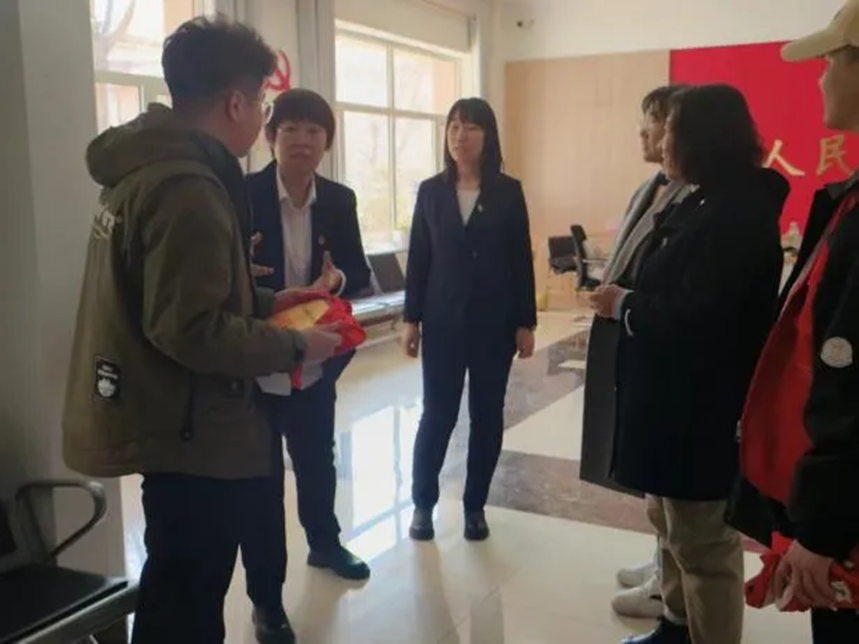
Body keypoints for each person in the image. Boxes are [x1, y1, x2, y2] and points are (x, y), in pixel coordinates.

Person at [62, 17, 342, 644]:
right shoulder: (188, 187)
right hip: (192, 434)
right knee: (187, 604)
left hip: (170, 421)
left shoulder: (146, 168)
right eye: (263, 102)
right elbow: (190, 330)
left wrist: (269, 301)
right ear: (236, 103)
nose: (264, 116)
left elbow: (178, 295)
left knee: (176, 589)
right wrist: (297, 342)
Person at [590, 84, 788, 644]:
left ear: (703, 138)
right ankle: (675, 627)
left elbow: (698, 314)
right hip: (670, 402)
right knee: (672, 526)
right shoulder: (705, 200)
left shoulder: (736, 213)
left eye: (671, 130)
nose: (661, 141)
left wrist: (625, 304)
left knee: (703, 546)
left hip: (700, 410)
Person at [731, 4, 859, 642]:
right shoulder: (847, 198)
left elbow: (850, 383)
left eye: (831, 61)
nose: (820, 77)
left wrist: (825, 526)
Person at [240, 89, 372, 641]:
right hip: (258, 363)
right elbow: (224, 281)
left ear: (326, 143)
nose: (302, 140)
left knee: (318, 460)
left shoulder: (339, 200)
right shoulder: (242, 196)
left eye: (314, 131)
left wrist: (335, 280)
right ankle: (266, 600)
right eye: (290, 128)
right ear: (271, 137)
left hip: (316, 361)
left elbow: (358, 273)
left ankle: (324, 543)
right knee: (262, 482)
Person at [579, 84, 691, 620]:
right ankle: (662, 565)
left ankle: (671, 588)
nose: (643, 132)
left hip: (659, 347)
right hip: (631, 338)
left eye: (652, 121)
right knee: (655, 489)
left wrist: (622, 299)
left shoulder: (696, 197)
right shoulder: (652, 187)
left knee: (675, 492)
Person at [403, 97, 537, 542]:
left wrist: (525, 321)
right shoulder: (431, 191)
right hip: (442, 322)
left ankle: (475, 505)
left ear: (488, 135)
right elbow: (420, 258)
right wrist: (411, 319)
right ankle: (423, 503)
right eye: (454, 127)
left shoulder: (508, 191)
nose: (461, 136)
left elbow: (520, 259)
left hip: (494, 324)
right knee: (436, 415)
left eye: (472, 127)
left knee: (487, 416)